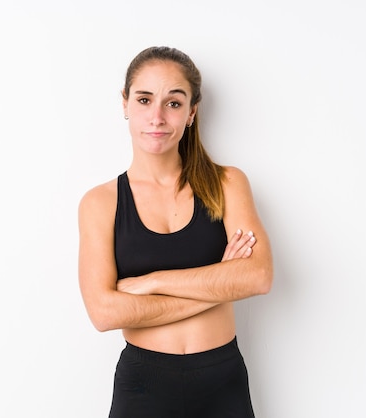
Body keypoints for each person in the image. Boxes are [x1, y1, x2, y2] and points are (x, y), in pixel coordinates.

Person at [78, 46, 273, 418]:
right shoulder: (100, 203)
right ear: (125, 104)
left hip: (223, 381)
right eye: (144, 99)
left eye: (173, 102)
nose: (157, 116)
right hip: (143, 385)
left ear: (191, 112)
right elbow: (104, 312)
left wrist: (151, 282)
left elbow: (258, 276)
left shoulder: (227, 183)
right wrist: (220, 283)